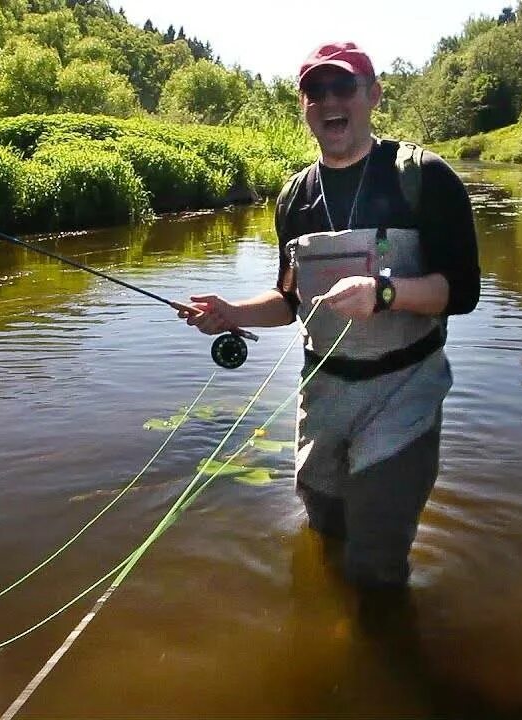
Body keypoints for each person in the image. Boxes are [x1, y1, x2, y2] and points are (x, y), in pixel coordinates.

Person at [180, 41, 480, 590]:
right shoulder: (294, 197)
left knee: (374, 565)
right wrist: (229, 312)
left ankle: (383, 660)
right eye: (314, 91)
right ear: (304, 106)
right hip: (323, 397)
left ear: (373, 95)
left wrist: (384, 293)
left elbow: (461, 291)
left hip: (404, 391)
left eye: (343, 87)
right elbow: (289, 301)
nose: (328, 100)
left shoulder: (424, 178)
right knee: (325, 534)